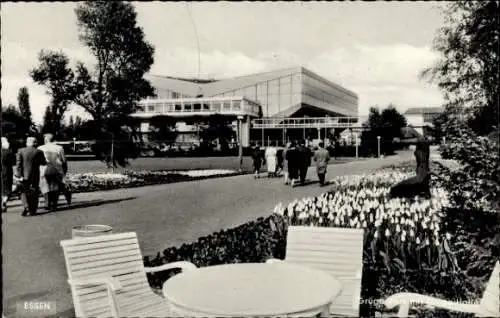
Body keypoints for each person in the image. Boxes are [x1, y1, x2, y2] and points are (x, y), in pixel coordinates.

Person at [38, 133, 72, 211]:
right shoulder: (59, 148)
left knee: (45, 187)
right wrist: (64, 170)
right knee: (55, 187)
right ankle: (54, 204)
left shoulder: (40, 148)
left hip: (44, 169)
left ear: (46, 140)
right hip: (57, 169)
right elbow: (64, 160)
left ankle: (47, 203)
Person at [15, 137, 47, 216]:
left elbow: (18, 164)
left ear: (27, 143)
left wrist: (19, 175)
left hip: (24, 175)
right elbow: (43, 163)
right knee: (34, 191)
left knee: (24, 191)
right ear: (35, 143)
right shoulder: (39, 152)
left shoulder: (21, 151)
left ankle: (26, 206)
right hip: (34, 175)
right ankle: (33, 209)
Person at [1, 137, 15, 212]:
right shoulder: (8, 152)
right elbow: (12, 162)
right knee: (6, 189)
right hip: (6, 172)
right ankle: (4, 202)